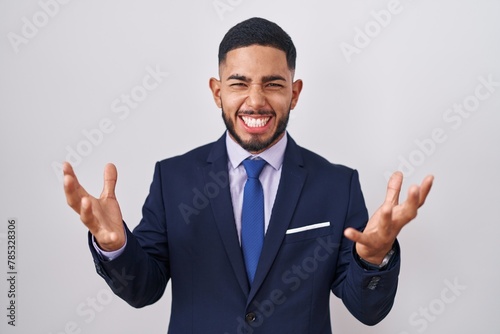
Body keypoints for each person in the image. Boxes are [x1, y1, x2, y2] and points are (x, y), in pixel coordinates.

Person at [63, 17, 433, 334]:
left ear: (295, 93)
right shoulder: (173, 179)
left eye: (273, 84)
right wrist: (115, 246)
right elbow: (144, 289)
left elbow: (366, 310)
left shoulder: (337, 185)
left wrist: (374, 258)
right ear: (217, 91)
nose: (255, 100)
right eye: (239, 83)